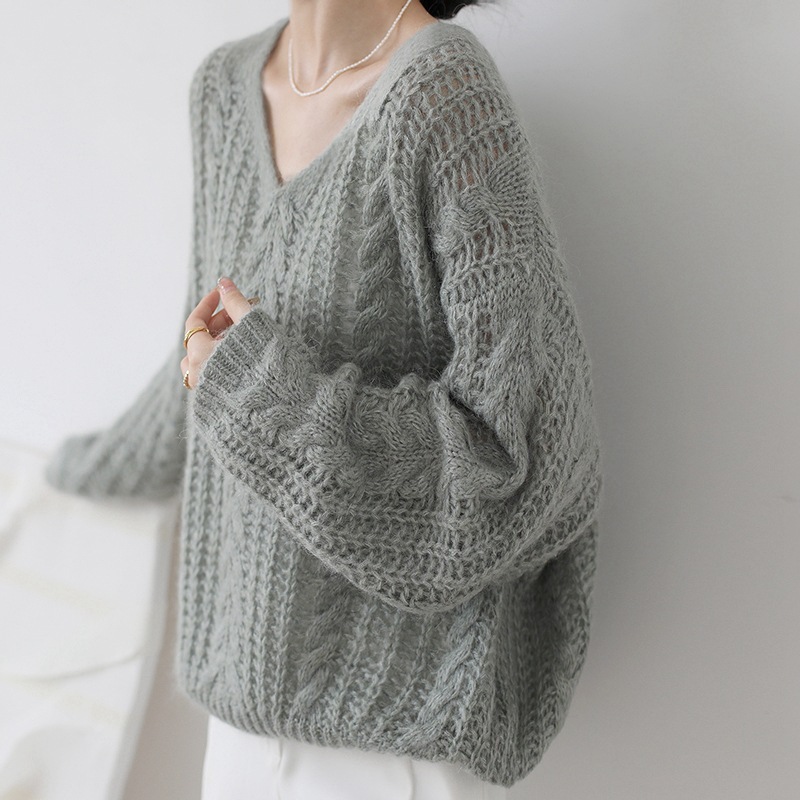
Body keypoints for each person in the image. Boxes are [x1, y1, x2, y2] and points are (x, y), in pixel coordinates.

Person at [45, 0, 604, 797]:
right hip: (236, 736)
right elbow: (200, 364)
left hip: (395, 746)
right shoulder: (222, 89)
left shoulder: (445, 93)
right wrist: (66, 472)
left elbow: (522, 460)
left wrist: (261, 398)